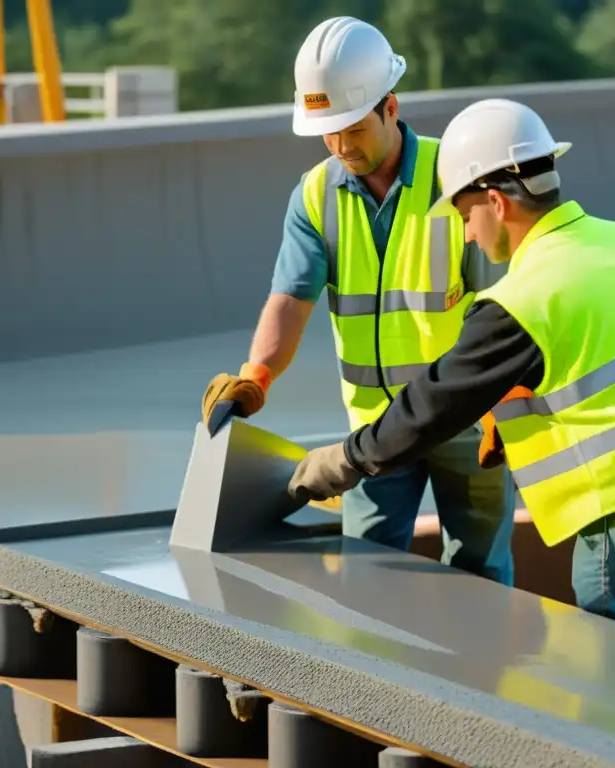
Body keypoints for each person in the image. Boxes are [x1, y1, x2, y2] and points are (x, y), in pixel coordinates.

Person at [287, 97, 615, 652]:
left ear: (495, 202)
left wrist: (344, 460)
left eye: (464, 216)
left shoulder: (522, 300)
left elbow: (435, 403)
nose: (466, 235)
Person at [201, 17, 516, 584]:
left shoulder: (456, 177)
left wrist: (507, 400)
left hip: (469, 420)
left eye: (352, 129)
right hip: (378, 429)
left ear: (389, 107)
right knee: (366, 574)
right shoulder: (316, 196)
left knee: (480, 571)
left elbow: (504, 304)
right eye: (328, 133)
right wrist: (258, 375)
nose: (341, 146)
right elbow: (290, 300)